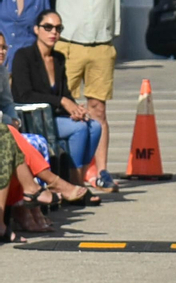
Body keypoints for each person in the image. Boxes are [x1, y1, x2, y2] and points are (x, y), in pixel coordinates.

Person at [41, 0, 141, 192]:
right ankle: (64, 171)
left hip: (101, 45)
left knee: (98, 109)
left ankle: (101, 171)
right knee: (62, 108)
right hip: (68, 45)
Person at [10, 11, 105, 184]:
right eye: (48, 27)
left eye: (58, 28)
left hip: (56, 116)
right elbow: (24, 95)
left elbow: (65, 93)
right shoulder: (23, 56)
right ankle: (75, 184)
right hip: (35, 119)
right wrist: (61, 101)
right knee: (80, 129)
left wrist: (76, 109)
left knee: (95, 127)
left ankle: (77, 177)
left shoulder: (58, 58)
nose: (53, 32)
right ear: (36, 30)